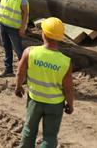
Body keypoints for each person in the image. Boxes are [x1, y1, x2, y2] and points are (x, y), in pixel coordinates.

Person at [15, 17, 74, 148]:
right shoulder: (65, 62)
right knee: (50, 136)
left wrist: (18, 87)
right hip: (55, 104)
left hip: (35, 100)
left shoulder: (30, 52)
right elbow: (68, 88)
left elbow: (20, 73)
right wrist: (70, 104)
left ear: (43, 34)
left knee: (29, 130)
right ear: (60, 37)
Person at [0, 0, 29, 77]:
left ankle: (25, 75)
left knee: (19, 52)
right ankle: (8, 70)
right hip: (3, 24)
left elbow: (25, 13)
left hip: (14, 28)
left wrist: (22, 28)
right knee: (6, 48)